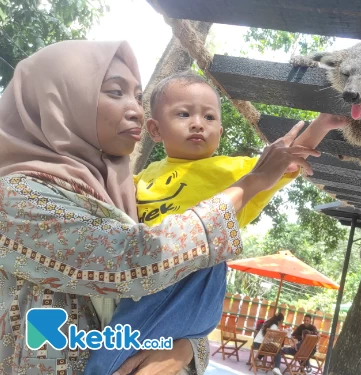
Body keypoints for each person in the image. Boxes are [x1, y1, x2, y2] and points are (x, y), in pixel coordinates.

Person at [0, 40, 318, 375]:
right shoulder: (15, 199)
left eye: (137, 96)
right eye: (114, 92)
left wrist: (183, 350)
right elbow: (132, 261)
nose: (136, 109)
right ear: (59, 101)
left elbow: (157, 309)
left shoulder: (118, 194)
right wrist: (248, 184)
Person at [86, 71, 345, 374]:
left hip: (196, 276)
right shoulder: (144, 177)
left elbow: (287, 158)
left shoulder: (233, 171)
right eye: (183, 114)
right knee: (123, 352)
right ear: (155, 129)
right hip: (150, 280)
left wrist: (322, 123)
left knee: (108, 361)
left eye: (209, 117)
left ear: (220, 132)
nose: (198, 123)